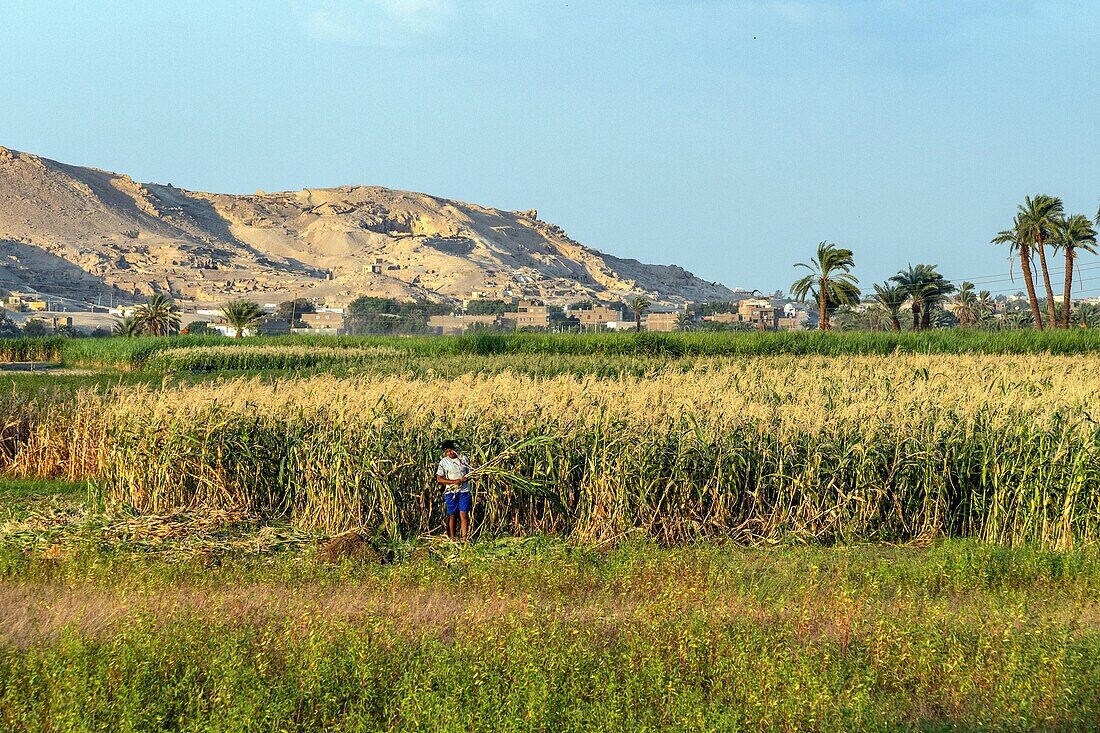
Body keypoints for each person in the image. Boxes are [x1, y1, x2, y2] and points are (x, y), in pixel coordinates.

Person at [436, 439, 472, 540]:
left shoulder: (463, 458)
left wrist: (466, 478)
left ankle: (464, 539)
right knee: (452, 515)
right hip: (451, 492)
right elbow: (439, 479)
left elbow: (470, 473)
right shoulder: (444, 462)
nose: (450, 453)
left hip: (464, 491)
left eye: (451, 450)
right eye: (447, 451)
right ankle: (452, 538)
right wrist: (454, 482)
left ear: (454, 449)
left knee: (463, 514)